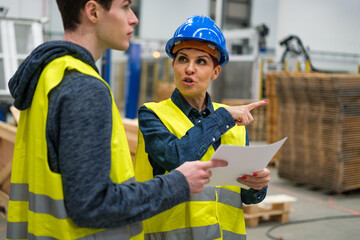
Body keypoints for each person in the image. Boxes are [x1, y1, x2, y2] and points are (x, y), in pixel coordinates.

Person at [6, 2, 228, 239]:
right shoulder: (84, 87)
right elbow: (93, 205)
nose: (134, 19)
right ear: (93, 11)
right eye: (125, 7)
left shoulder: (49, 73)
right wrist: (180, 183)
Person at [134, 15, 270, 240]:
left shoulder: (234, 126)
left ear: (215, 72)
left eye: (201, 62)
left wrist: (257, 186)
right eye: (183, 59)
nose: (189, 69)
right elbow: (176, 157)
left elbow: (245, 196)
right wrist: (222, 118)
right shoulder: (152, 115)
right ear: (173, 65)